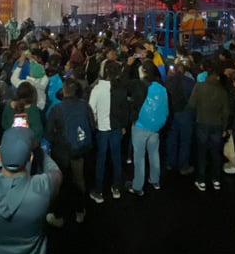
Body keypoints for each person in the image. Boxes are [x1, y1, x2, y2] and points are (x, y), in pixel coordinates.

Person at [45, 78, 95, 226]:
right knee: (79, 179)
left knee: (61, 182)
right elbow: (92, 127)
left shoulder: (57, 109)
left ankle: (59, 216)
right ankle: (80, 211)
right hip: (79, 148)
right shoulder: (85, 106)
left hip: (61, 151)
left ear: (64, 91)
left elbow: (48, 134)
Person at [88, 60, 129, 203]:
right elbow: (125, 110)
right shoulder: (121, 90)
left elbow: (91, 110)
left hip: (102, 129)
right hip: (116, 128)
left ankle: (99, 191)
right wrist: (123, 125)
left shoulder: (97, 89)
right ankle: (116, 188)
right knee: (116, 158)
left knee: (101, 159)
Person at [129, 59, 169, 196]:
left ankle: (137, 186)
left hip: (141, 125)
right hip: (156, 126)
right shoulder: (162, 88)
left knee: (139, 157)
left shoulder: (141, 86)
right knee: (154, 153)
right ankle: (155, 179)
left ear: (144, 72)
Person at [188, 67, 229, 191]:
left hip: (202, 123)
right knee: (216, 153)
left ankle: (201, 180)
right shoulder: (222, 91)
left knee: (202, 153)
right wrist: (225, 127)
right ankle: (216, 180)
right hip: (217, 125)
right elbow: (226, 112)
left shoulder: (199, 87)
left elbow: (191, 104)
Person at [164, 60, 196, 176]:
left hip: (172, 112)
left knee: (171, 138)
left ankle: (169, 163)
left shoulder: (168, 81)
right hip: (186, 113)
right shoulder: (190, 82)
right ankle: (183, 166)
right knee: (185, 141)